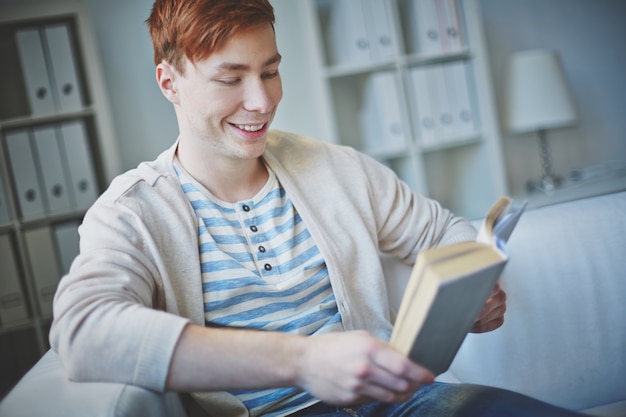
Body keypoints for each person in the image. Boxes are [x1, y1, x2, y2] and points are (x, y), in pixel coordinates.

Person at [50, 1, 585, 416]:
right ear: (170, 82)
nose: (261, 101)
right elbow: (83, 331)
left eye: (270, 71)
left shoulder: (332, 167)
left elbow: (443, 231)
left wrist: (469, 293)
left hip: (402, 404)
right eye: (231, 79)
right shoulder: (132, 213)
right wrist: (303, 362)